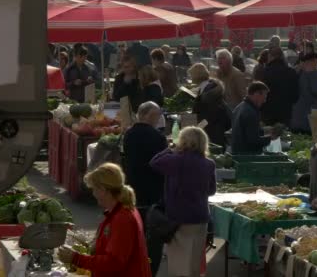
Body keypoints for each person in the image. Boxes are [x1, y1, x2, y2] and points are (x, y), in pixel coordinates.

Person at [58, 163, 152, 277]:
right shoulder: (119, 212)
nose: (93, 194)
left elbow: (114, 263)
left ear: (102, 189)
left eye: (94, 189)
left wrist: (77, 259)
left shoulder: (122, 218)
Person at [150, 127, 216, 277]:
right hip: (201, 217)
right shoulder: (209, 163)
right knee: (194, 263)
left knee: (179, 263)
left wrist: (170, 148)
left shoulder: (175, 160)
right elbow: (211, 191)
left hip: (179, 218)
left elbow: (154, 162)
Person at [122, 102, 167, 275]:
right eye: (156, 115)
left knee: (135, 229)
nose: (158, 119)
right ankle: (149, 268)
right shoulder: (157, 137)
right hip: (152, 190)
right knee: (152, 236)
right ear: (147, 116)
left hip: (133, 186)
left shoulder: (129, 134)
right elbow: (162, 166)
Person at [189, 63, 232, 147]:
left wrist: (198, 127)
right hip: (213, 130)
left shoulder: (209, 93)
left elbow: (210, 115)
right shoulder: (208, 89)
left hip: (213, 132)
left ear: (196, 76)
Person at [291, 53, 317, 133]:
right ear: (312, 61)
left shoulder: (298, 72)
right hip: (313, 111)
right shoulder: (314, 74)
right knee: (314, 136)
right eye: (316, 62)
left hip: (299, 111)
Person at [231, 82, 273, 154]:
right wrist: (271, 138)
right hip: (247, 156)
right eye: (264, 96)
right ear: (256, 94)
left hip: (237, 152)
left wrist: (264, 130)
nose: (264, 101)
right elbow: (253, 141)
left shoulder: (239, 107)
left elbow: (246, 131)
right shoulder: (250, 112)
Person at [262, 47, 300, 126]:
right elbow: (296, 94)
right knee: (285, 134)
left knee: (270, 135)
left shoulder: (265, 72)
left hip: (269, 111)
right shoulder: (291, 72)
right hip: (286, 110)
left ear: (270, 56)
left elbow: (261, 92)